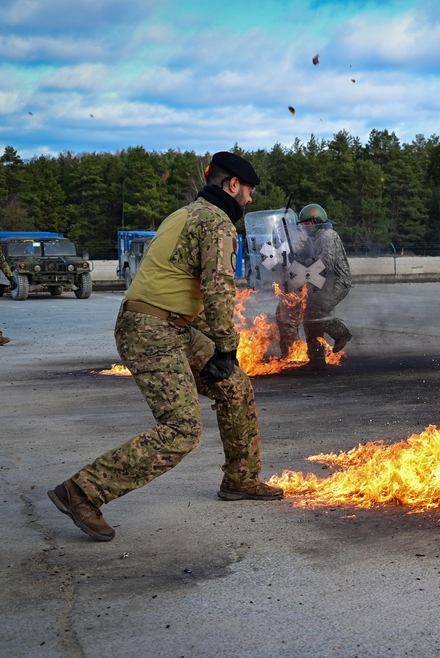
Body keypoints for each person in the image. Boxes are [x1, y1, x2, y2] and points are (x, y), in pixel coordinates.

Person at [48, 151, 281, 543]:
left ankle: (241, 480)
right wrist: (225, 347)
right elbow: (218, 288)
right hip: (152, 329)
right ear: (233, 185)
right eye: (250, 192)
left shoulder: (183, 215)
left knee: (235, 387)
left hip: (168, 324)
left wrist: (221, 354)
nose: (251, 201)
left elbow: (184, 289)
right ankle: (82, 491)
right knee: (182, 428)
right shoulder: (217, 223)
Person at [275, 203, 353, 368]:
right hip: (320, 279)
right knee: (309, 311)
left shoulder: (328, 235)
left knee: (318, 311)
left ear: (312, 222)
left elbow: (326, 262)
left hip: (337, 279)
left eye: (304, 224)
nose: (302, 227)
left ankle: (341, 334)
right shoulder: (313, 238)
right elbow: (304, 255)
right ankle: (316, 357)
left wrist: (305, 262)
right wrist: (293, 254)